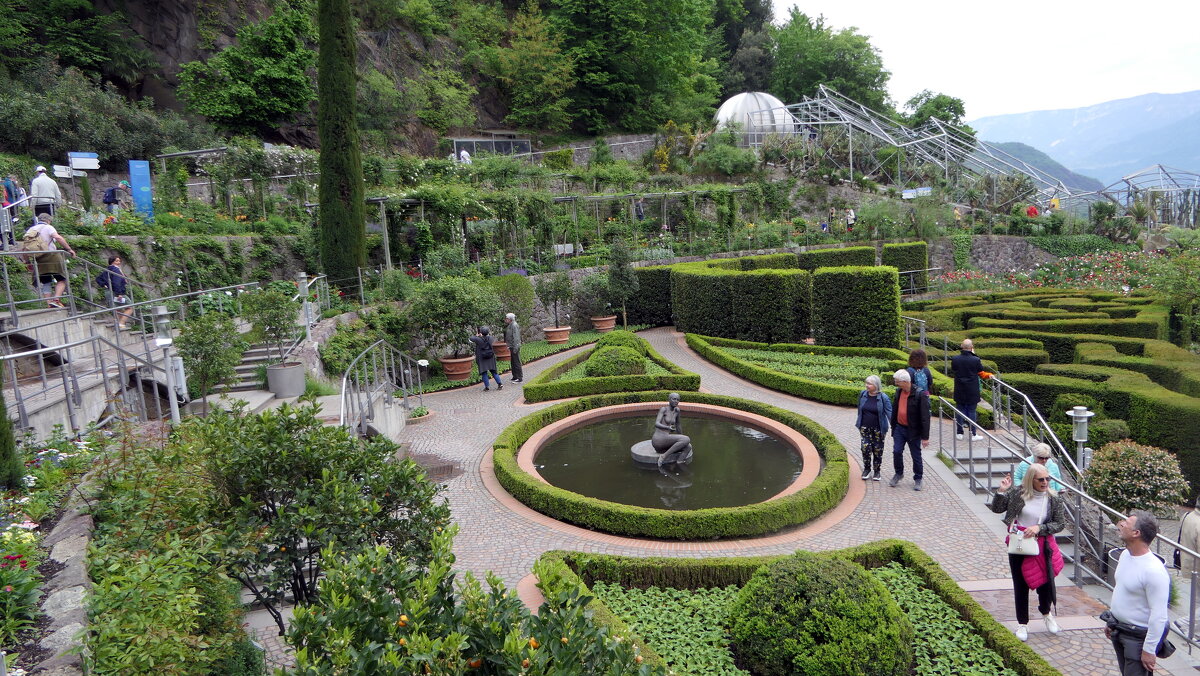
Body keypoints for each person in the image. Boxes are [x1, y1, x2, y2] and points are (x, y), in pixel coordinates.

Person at [991, 465, 1067, 642]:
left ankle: (1046, 613)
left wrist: (1040, 528)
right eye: (1041, 479)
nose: (1045, 482)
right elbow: (997, 509)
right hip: (1020, 545)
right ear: (1030, 479)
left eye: (1048, 479)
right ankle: (1022, 623)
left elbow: (1060, 524)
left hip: (1043, 545)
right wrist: (1001, 491)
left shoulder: (1054, 499)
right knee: (1021, 585)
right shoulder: (1019, 494)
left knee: (1046, 583)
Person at [1104, 511, 1171, 675]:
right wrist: (1112, 620)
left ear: (1136, 533)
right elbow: (1123, 591)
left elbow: (1159, 614)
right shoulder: (1126, 555)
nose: (1121, 524)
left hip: (1138, 638)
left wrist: (1149, 649)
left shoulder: (1154, 571)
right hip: (1119, 630)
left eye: (1126, 522)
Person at [888, 369, 930, 491]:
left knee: (915, 455)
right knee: (896, 451)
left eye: (898, 382)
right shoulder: (898, 392)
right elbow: (895, 410)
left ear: (905, 381)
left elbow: (925, 417)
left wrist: (925, 437)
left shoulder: (920, 394)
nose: (896, 384)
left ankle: (918, 478)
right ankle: (899, 473)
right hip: (900, 428)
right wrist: (893, 426)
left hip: (913, 430)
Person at [23, 214, 76, 307]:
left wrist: (27, 262)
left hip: (39, 258)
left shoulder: (31, 230)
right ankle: (55, 300)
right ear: (48, 220)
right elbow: (58, 237)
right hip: (52, 256)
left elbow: (25, 248)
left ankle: (49, 304)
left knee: (46, 281)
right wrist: (69, 249)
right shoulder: (48, 227)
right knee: (62, 279)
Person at [855, 374, 892, 481]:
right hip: (865, 428)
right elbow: (860, 409)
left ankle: (877, 471)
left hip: (878, 429)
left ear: (876, 385)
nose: (867, 385)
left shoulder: (883, 398)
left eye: (869, 384)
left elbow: (889, 413)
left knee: (877, 449)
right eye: (866, 383)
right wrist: (860, 423)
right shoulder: (863, 394)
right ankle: (867, 469)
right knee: (865, 448)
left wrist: (895, 427)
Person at [951, 339, 985, 441]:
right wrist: (974, 355)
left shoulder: (955, 359)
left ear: (961, 346)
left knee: (959, 410)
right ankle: (973, 434)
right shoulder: (975, 359)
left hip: (960, 388)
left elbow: (954, 369)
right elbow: (980, 370)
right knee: (971, 411)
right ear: (971, 347)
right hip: (972, 389)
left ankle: (959, 433)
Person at [653, 392, 693, 467]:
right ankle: (664, 456)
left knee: (688, 446)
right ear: (669, 399)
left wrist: (682, 440)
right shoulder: (663, 409)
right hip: (658, 440)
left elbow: (678, 425)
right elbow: (657, 423)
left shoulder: (677, 410)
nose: (676, 401)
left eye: (678, 400)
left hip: (666, 440)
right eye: (674, 399)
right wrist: (667, 428)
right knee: (686, 439)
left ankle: (679, 463)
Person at [95, 255, 133, 329]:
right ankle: (121, 323)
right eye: (116, 261)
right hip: (116, 292)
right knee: (130, 306)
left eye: (119, 261)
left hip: (109, 291)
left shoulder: (108, 270)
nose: (119, 262)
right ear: (112, 262)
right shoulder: (115, 270)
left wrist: (104, 285)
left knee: (116, 308)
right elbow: (116, 282)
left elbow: (98, 279)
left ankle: (120, 324)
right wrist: (119, 293)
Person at [469, 326, 500, 391]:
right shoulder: (491, 338)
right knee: (494, 372)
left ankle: (487, 387)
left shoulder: (478, 339)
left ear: (481, 333)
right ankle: (500, 384)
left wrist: (477, 336)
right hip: (490, 357)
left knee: (484, 373)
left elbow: (470, 339)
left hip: (482, 358)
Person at [503, 312, 523, 383]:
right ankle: (515, 376)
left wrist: (515, 347)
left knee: (516, 362)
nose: (506, 319)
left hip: (514, 346)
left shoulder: (514, 325)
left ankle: (519, 377)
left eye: (507, 318)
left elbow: (516, 337)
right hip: (512, 346)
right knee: (513, 362)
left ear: (510, 319)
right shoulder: (510, 325)